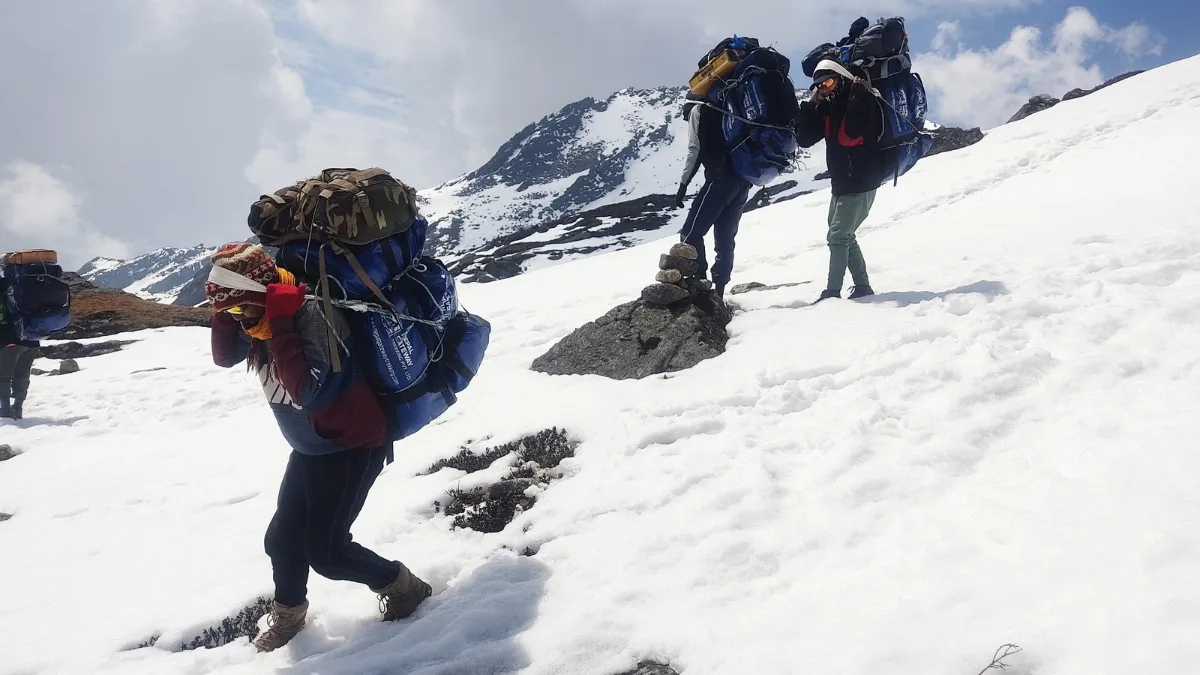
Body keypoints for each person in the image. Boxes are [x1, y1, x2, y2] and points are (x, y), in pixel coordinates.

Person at [205, 243, 431, 653]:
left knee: (327, 552)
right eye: (227, 311)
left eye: (238, 308)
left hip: (350, 446)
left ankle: (405, 588)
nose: (237, 318)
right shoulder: (256, 321)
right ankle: (289, 617)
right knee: (281, 542)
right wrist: (228, 311)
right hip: (310, 448)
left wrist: (282, 323)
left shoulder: (308, 314)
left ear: (259, 295)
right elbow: (225, 357)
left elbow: (309, 392)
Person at [794, 59, 885, 303]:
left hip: (860, 182)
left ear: (841, 77)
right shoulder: (829, 104)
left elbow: (850, 136)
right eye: (819, 85)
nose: (824, 88)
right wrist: (812, 106)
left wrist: (857, 98)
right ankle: (863, 287)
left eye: (828, 82)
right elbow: (804, 139)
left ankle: (832, 292)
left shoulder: (863, 98)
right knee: (844, 235)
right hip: (842, 182)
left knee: (838, 236)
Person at [676, 101, 753, 299]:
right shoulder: (731, 106)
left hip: (719, 180)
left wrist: (684, 184)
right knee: (725, 239)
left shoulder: (697, 111)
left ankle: (700, 285)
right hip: (743, 181)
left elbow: (695, 149)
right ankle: (719, 292)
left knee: (690, 233)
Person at [0, 278, 39, 421]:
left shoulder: (4, 287)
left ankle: (5, 410)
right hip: (32, 339)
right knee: (23, 376)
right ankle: (17, 408)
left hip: (9, 340)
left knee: (4, 377)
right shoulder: (27, 283)